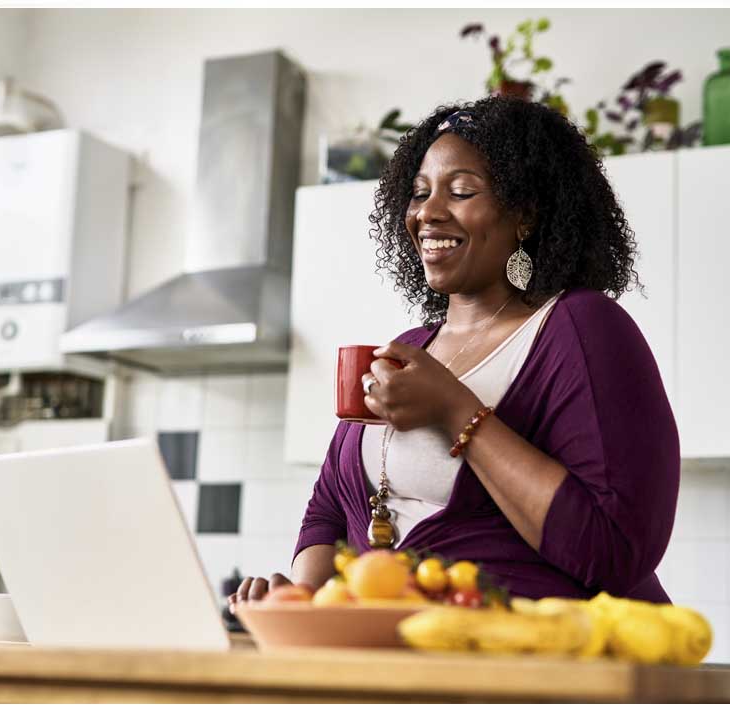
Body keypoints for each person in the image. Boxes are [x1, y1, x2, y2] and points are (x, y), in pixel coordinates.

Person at [230, 96, 679, 611]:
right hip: (407, 660)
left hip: (544, 666)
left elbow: (614, 548)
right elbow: (330, 508)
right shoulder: (412, 348)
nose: (427, 213)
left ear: (525, 215)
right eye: (419, 193)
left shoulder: (579, 328)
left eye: (461, 191)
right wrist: (303, 596)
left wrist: (456, 410)